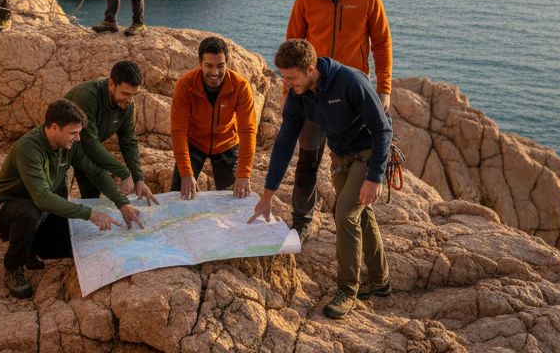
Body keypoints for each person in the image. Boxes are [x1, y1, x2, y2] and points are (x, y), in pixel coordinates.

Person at [249, 39, 392, 320]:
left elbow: (382, 129)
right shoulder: (298, 96)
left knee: (345, 215)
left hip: (367, 153)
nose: (287, 84)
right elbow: (284, 143)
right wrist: (267, 195)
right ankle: (380, 280)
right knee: (361, 215)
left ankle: (347, 291)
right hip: (340, 158)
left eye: (291, 78)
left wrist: (375, 177)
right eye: (283, 77)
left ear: (310, 69)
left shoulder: (350, 81)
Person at [284, 0, 392, 240]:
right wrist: (289, 90)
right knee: (307, 160)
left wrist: (384, 89)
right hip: (311, 95)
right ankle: (301, 220)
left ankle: (351, 220)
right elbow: (292, 44)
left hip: (352, 97)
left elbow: (381, 44)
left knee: (352, 162)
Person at [0, 99, 146, 299]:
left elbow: (95, 172)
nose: (78, 138)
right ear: (54, 127)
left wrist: (122, 204)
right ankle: (13, 266)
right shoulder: (29, 148)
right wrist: (90, 214)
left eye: (78, 133)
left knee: (73, 245)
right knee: (29, 212)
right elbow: (42, 198)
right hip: (2, 212)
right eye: (73, 133)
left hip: (41, 212)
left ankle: (29, 246)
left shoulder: (69, 145)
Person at [169, 37, 258, 199]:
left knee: (233, 198)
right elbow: (178, 131)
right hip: (194, 142)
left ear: (227, 63)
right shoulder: (185, 85)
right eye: (209, 66)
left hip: (227, 143)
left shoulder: (240, 86)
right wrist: (186, 173)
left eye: (220, 66)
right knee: (178, 195)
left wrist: (244, 173)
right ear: (200, 62)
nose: (215, 72)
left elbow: (248, 131)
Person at [64, 61, 159, 205]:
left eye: (133, 95)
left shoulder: (127, 103)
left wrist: (138, 179)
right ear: (111, 84)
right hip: (62, 149)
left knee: (93, 195)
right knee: (58, 198)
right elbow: (90, 142)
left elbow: (128, 142)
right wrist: (124, 174)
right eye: (125, 93)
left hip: (84, 151)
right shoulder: (87, 96)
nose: (130, 100)